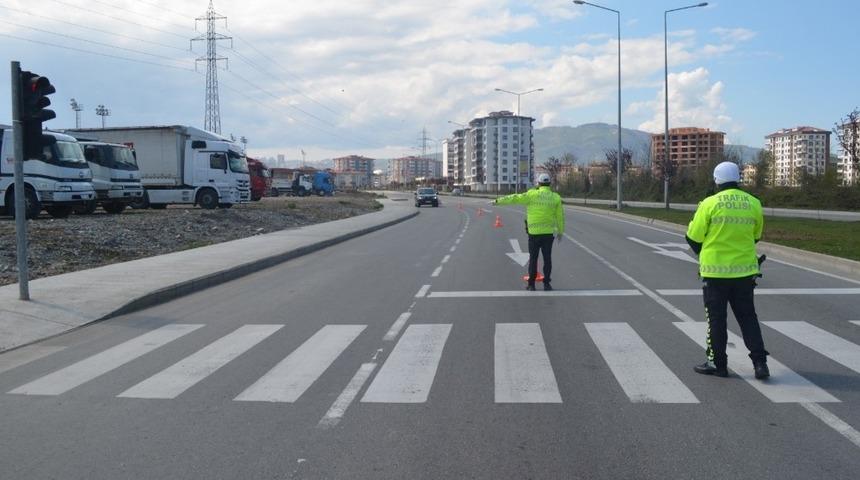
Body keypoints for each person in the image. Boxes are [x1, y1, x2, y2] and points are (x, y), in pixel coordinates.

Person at [686, 161, 770, 379]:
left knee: (716, 320)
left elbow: (693, 238)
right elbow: (755, 236)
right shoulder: (754, 203)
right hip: (744, 274)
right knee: (748, 318)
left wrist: (706, 250)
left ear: (716, 180)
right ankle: (760, 364)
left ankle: (718, 365)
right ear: (738, 178)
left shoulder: (709, 203)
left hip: (715, 274)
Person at [494, 173, 565, 291]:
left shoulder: (532, 194)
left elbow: (514, 198)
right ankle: (547, 284)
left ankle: (531, 284)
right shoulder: (555, 197)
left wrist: (497, 201)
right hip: (548, 234)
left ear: (538, 183)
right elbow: (560, 217)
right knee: (547, 259)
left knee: (533, 258)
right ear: (549, 184)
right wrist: (560, 232)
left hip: (534, 233)